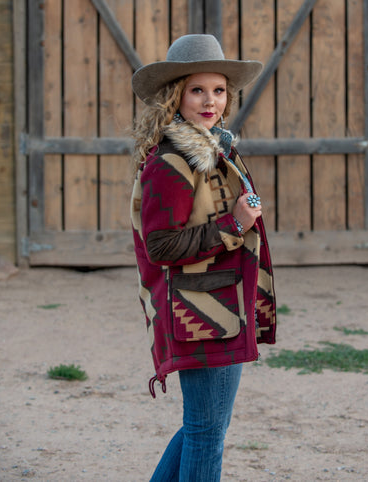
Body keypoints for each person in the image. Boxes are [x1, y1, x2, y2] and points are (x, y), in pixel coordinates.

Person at [130, 33, 276, 482]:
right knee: (206, 433)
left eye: (218, 90)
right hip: (201, 312)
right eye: (197, 90)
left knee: (205, 427)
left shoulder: (215, 147)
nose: (210, 100)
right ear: (176, 96)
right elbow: (162, 246)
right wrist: (234, 225)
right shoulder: (172, 161)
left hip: (222, 306)